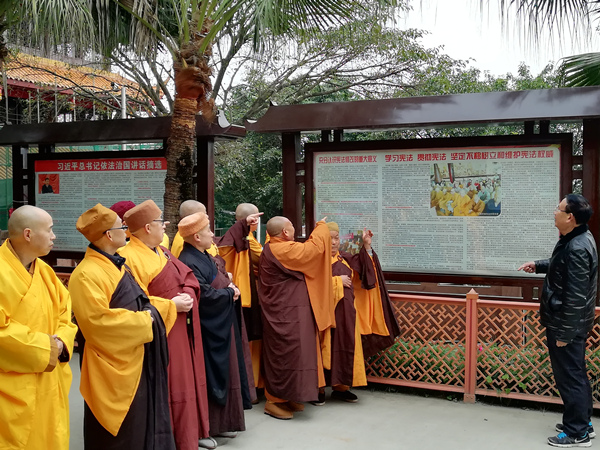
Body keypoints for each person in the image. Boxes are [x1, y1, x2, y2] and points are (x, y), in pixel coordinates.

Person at [68, 203, 178, 450]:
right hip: (109, 366)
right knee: (117, 434)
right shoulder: (86, 274)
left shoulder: (119, 264)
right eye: (123, 226)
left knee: (139, 426)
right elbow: (98, 324)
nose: (127, 231)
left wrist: (167, 306)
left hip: (135, 358)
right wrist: (147, 319)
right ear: (109, 234)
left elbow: (141, 299)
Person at [118, 200, 213, 450]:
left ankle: (187, 435)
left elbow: (188, 277)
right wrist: (171, 304)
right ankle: (169, 438)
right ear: (148, 227)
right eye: (161, 222)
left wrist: (189, 295)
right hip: (159, 331)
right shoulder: (127, 257)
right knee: (168, 385)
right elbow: (134, 299)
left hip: (180, 325)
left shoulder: (162, 250)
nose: (165, 226)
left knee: (184, 382)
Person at [518, 194, 598, 448]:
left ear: (570, 217)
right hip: (571, 323)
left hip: (568, 325)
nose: (554, 212)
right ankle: (582, 423)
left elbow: (575, 295)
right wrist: (539, 265)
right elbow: (561, 265)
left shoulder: (576, 246)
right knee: (575, 373)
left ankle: (577, 433)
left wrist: (564, 333)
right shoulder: (577, 238)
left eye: (558, 209)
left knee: (570, 377)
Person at [0, 205, 78, 449]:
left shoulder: (45, 271)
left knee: (51, 436)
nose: (54, 236)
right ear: (27, 234)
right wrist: (47, 346)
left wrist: (60, 343)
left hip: (50, 378)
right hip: (14, 384)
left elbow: (66, 313)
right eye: (50, 230)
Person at [177, 212, 252, 439]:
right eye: (208, 231)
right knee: (211, 376)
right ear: (197, 237)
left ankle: (222, 424)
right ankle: (208, 428)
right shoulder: (188, 260)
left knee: (227, 372)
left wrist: (229, 286)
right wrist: (229, 292)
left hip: (222, 323)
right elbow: (204, 295)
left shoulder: (203, 254)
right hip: (208, 329)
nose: (212, 234)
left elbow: (218, 278)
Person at [257, 216, 335, 419]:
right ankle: (273, 400)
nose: (294, 230)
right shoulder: (281, 249)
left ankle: (288, 396)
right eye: (292, 226)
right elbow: (312, 251)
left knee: (297, 354)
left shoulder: (278, 247)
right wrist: (320, 227)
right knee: (285, 354)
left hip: (290, 312)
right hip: (284, 315)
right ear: (285, 232)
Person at [316, 222, 368, 405]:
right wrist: (336, 281)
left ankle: (341, 387)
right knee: (323, 347)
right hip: (324, 314)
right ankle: (319, 389)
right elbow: (311, 284)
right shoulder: (315, 260)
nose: (333, 243)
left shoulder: (345, 258)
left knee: (345, 345)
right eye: (329, 239)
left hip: (346, 313)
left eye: (336, 238)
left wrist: (367, 246)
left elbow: (366, 271)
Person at [218, 203, 264, 399]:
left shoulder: (244, 238)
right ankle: (250, 386)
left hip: (238, 293)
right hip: (240, 295)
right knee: (248, 344)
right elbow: (264, 259)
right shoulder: (242, 239)